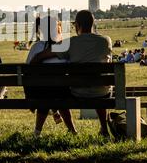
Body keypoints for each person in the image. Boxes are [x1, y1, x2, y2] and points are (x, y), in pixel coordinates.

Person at [32, 10, 112, 138]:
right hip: (102, 92)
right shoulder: (106, 41)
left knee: (60, 92)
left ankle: (71, 130)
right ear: (92, 24)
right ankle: (104, 128)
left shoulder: (70, 43)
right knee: (98, 88)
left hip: (78, 92)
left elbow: (41, 56)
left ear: (78, 26)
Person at [25, 16, 77, 136]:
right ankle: (72, 130)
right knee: (60, 98)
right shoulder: (63, 47)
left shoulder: (37, 47)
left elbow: (27, 69)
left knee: (45, 98)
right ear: (57, 29)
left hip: (41, 92)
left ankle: (37, 132)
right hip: (62, 92)